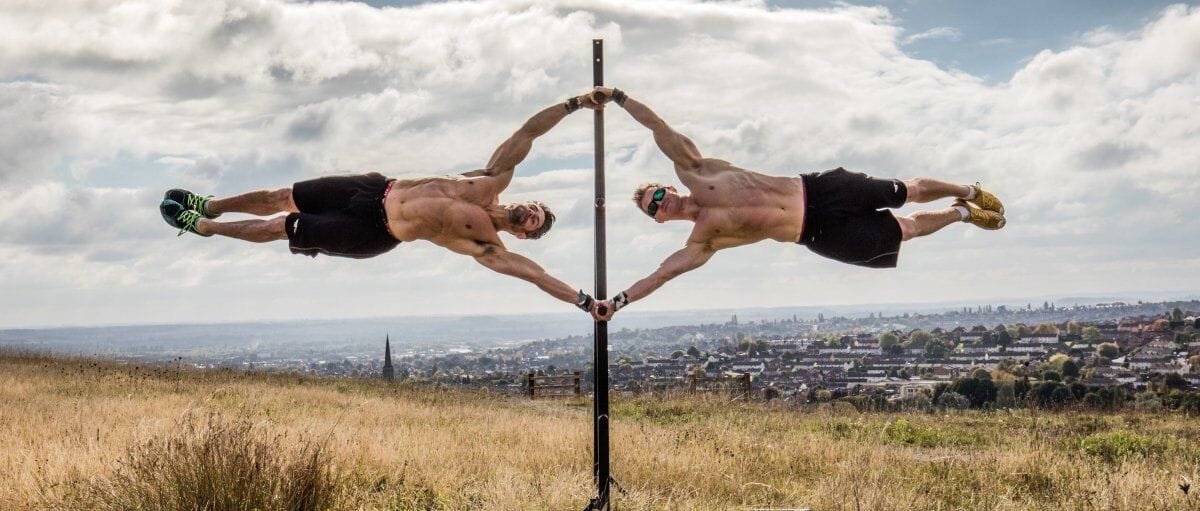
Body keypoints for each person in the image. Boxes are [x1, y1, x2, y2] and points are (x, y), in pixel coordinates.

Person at [159, 91, 607, 313]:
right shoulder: (490, 179)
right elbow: (528, 133)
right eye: (536, 208)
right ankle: (211, 205)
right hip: (374, 188)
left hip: (374, 232)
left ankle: (204, 227)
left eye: (535, 223)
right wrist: (576, 103)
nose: (531, 214)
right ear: (526, 200)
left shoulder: (489, 247)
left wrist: (585, 302)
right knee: (283, 195)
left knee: (283, 225)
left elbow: (538, 276)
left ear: (524, 234)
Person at [588, 87, 1006, 321]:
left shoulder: (699, 172)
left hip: (818, 190)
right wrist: (617, 303)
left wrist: (618, 98)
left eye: (657, 194)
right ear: (657, 221)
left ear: (668, 186)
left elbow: (659, 128)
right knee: (906, 230)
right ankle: (963, 213)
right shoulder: (702, 241)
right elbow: (661, 276)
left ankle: (968, 191)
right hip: (814, 233)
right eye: (652, 208)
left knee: (907, 190)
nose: (660, 203)